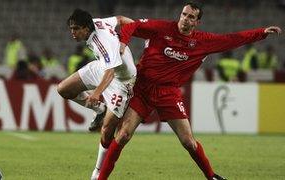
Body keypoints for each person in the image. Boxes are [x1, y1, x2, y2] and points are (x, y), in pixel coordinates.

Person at [98, 2, 282, 180]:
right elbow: (133, 26)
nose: (185, 19)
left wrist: (261, 33)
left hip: (168, 94)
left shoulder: (203, 42)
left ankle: (211, 176)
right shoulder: (162, 28)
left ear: (197, 22)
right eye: (184, 14)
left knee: (188, 142)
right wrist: (123, 43)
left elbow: (232, 39)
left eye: (191, 17)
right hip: (143, 88)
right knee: (123, 135)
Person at [56, 9, 136, 180]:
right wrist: (139, 29)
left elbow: (112, 73)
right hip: (103, 67)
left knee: (107, 130)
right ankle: (100, 110)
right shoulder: (98, 22)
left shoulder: (103, 41)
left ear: (86, 28)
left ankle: (98, 171)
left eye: (76, 29)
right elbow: (121, 19)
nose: (73, 32)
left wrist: (96, 93)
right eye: (71, 29)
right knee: (63, 89)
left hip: (122, 81)